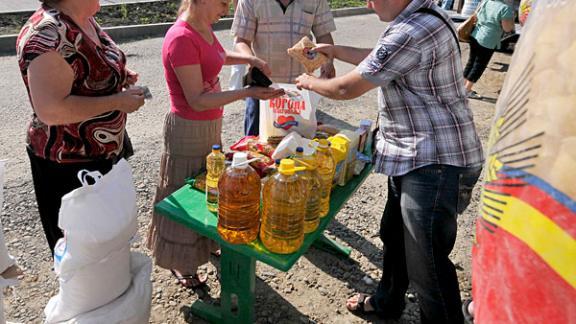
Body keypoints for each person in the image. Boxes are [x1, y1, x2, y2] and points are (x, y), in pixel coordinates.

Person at [296, 0, 484, 322]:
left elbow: (345, 89)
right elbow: (381, 59)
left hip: (435, 161)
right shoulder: (417, 18)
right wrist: (335, 50)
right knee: (394, 236)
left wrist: (307, 83)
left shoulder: (413, 29)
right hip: (414, 156)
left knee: (427, 264)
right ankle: (388, 302)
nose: (368, 3)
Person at [146, 0, 283, 289]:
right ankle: (181, 262)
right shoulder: (181, 38)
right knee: (182, 193)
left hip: (209, 126)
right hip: (188, 128)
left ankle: (204, 245)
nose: (227, 9)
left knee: (208, 186)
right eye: (222, 3)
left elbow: (217, 56)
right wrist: (247, 92)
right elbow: (196, 100)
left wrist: (250, 60)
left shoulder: (203, 26)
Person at [16, 0, 146, 254]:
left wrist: (117, 74)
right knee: (83, 254)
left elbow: (88, 65)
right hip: (69, 162)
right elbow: (51, 110)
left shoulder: (82, 17)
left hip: (102, 153)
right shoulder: (46, 35)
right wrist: (116, 101)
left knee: (108, 242)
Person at [231, 0, 337, 136]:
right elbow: (242, 40)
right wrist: (252, 61)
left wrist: (328, 61)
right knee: (256, 144)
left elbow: (324, 35)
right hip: (261, 88)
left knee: (298, 145)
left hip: (299, 89)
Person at [464, 0, 515, 99]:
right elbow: (507, 29)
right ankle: (467, 90)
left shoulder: (486, 1)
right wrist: (512, 21)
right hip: (488, 40)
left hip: (475, 34)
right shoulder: (505, 9)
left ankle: (462, 87)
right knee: (479, 66)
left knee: (471, 62)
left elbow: (477, 15)